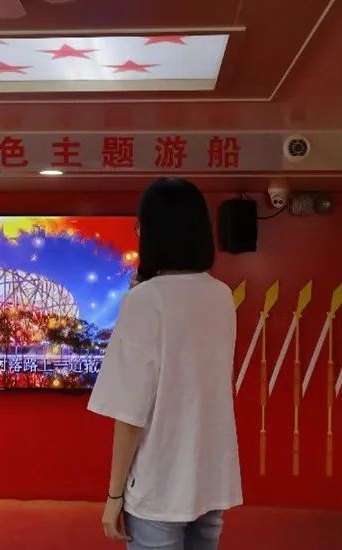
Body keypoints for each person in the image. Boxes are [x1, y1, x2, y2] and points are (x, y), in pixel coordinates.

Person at [88, 177, 242, 550]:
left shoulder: (145, 300)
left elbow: (130, 413)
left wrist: (114, 496)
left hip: (159, 485)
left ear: (152, 233)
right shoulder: (221, 295)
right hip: (210, 478)